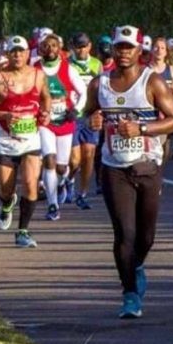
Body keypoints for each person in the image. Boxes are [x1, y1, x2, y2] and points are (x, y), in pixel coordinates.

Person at [83, 25, 173, 319]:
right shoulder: (99, 84)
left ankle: (136, 265)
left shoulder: (152, 82)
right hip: (114, 167)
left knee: (146, 237)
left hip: (147, 165)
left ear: (140, 50)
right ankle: (129, 294)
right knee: (124, 233)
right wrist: (92, 120)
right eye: (119, 47)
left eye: (129, 47)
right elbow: (88, 113)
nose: (124, 53)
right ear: (112, 49)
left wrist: (141, 128)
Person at [0, 36, 51, 248]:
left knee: (30, 184)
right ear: (8, 55)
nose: (18, 55)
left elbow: (46, 97)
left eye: (21, 51)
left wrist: (46, 112)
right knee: (6, 190)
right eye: (13, 52)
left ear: (28, 53)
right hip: (5, 141)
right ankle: (7, 205)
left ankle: (23, 232)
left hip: (30, 140)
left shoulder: (38, 75)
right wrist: (3, 115)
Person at [37, 31, 86, 221]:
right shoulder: (35, 69)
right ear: (41, 49)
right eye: (46, 45)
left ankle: (61, 183)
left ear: (60, 49)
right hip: (45, 123)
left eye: (54, 45)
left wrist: (76, 110)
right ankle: (53, 205)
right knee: (49, 160)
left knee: (61, 167)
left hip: (65, 121)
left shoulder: (68, 69)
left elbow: (83, 92)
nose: (50, 49)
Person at [67, 32, 102, 210]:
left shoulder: (97, 64)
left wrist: (100, 111)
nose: (81, 50)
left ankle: (82, 193)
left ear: (89, 46)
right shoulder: (67, 64)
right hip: (73, 115)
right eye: (78, 47)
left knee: (88, 154)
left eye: (84, 46)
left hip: (90, 115)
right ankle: (69, 180)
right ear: (73, 47)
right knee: (74, 160)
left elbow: (103, 88)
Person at [149, 36, 173, 160]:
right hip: (151, 112)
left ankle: (170, 151)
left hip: (166, 111)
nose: (159, 50)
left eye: (162, 48)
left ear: (166, 52)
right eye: (156, 47)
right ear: (152, 50)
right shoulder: (147, 69)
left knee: (164, 149)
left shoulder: (171, 69)